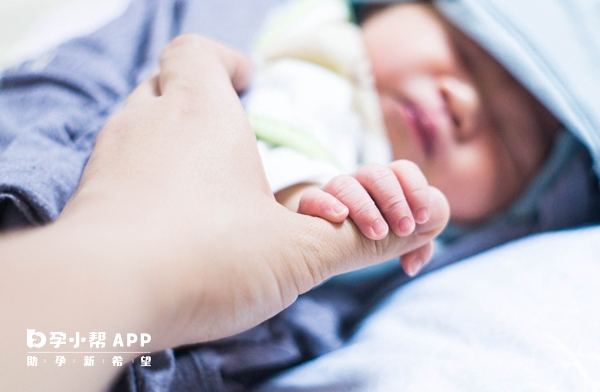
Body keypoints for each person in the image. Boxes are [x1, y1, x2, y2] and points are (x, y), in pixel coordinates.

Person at [0, 34, 450, 392]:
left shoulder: (389, 278)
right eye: (464, 51)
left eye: (505, 139)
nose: (461, 99)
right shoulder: (307, 58)